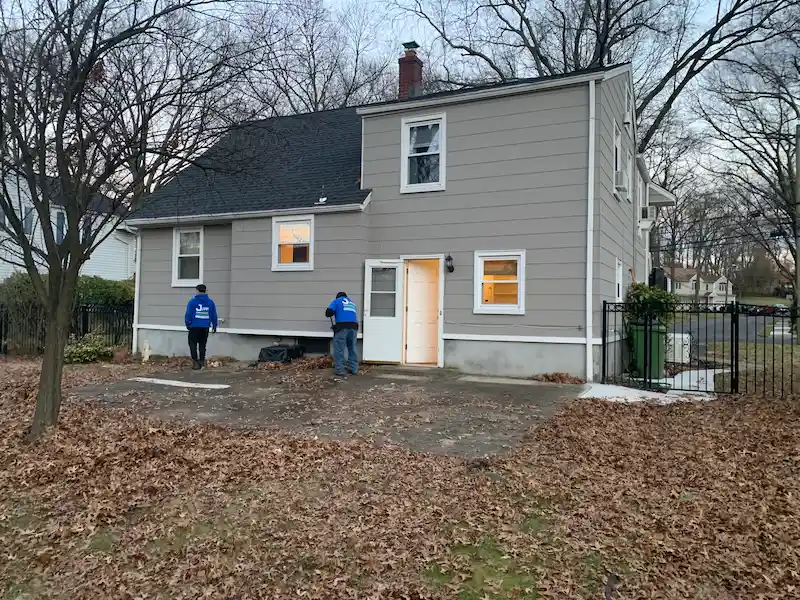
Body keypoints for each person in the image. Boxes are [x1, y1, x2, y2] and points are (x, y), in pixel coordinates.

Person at [185, 284, 218, 370]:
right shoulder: (210, 302)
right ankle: (202, 362)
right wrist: (214, 325)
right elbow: (214, 315)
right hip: (205, 327)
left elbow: (188, 314)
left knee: (192, 344)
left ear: (197, 291)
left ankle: (195, 362)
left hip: (194, 326)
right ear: (205, 291)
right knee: (202, 345)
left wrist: (188, 324)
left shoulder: (192, 302)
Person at [325, 291, 358, 377]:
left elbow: (329, 312)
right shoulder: (352, 303)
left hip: (342, 327)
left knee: (339, 349)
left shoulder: (337, 301)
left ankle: (340, 370)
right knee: (352, 348)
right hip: (354, 328)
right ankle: (353, 368)